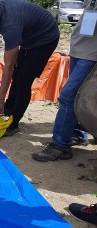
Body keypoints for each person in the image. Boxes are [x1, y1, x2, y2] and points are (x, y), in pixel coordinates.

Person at [0, 0, 60, 136]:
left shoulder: (10, 24)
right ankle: (8, 109)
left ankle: (14, 123)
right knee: (17, 75)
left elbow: (8, 66)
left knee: (24, 79)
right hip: (28, 36)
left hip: (45, 38)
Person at [32, 0, 97, 162]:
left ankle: (60, 145)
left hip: (91, 55)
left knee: (68, 96)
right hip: (79, 50)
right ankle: (77, 132)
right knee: (75, 99)